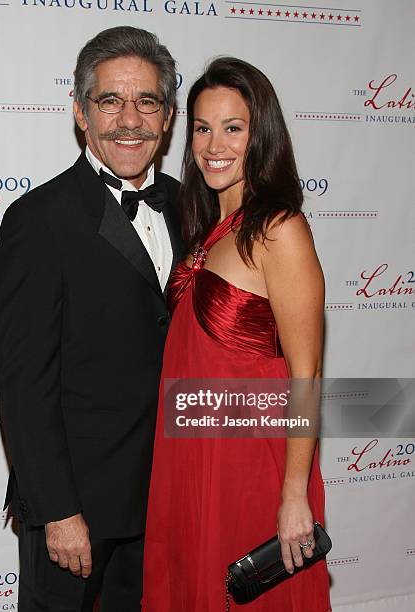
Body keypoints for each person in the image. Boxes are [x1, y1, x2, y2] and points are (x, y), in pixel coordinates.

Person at [0, 26, 182, 612]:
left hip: (164, 494)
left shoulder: (188, 205)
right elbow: (24, 385)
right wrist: (57, 510)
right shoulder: (38, 219)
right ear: (81, 112)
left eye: (147, 101)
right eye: (110, 101)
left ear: (168, 116)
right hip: (76, 508)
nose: (130, 119)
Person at [142, 57, 331, 611]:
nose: (213, 144)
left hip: (251, 465)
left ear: (260, 135)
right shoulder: (206, 231)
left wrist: (293, 495)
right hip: (192, 455)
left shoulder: (280, 228)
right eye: (202, 127)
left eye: (233, 127)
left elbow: (307, 373)